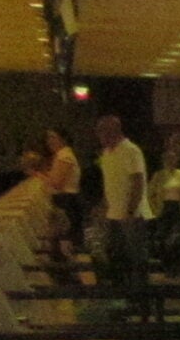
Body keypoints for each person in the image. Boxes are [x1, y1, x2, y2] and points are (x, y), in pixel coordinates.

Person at [95, 113, 149, 287]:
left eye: (101, 132)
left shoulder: (131, 150)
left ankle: (139, 293)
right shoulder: (106, 153)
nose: (99, 136)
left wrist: (131, 210)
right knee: (117, 254)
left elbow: (138, 182)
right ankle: (121, 289)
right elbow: (110, 183)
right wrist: (104, 206)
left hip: (131, 214)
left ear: (112, 131)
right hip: (114, 213)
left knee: (135, 256)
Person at [42, 126, 83, 253]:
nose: (49, 141)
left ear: (63, 139)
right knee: (64, 235)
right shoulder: (61, 155)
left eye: (53, 137)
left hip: (65, 200)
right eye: (48, 138)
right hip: (66, 199)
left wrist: (40, 176)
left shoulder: (64, 156)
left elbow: (57, 183)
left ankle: (66, 260)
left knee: (64, 235)